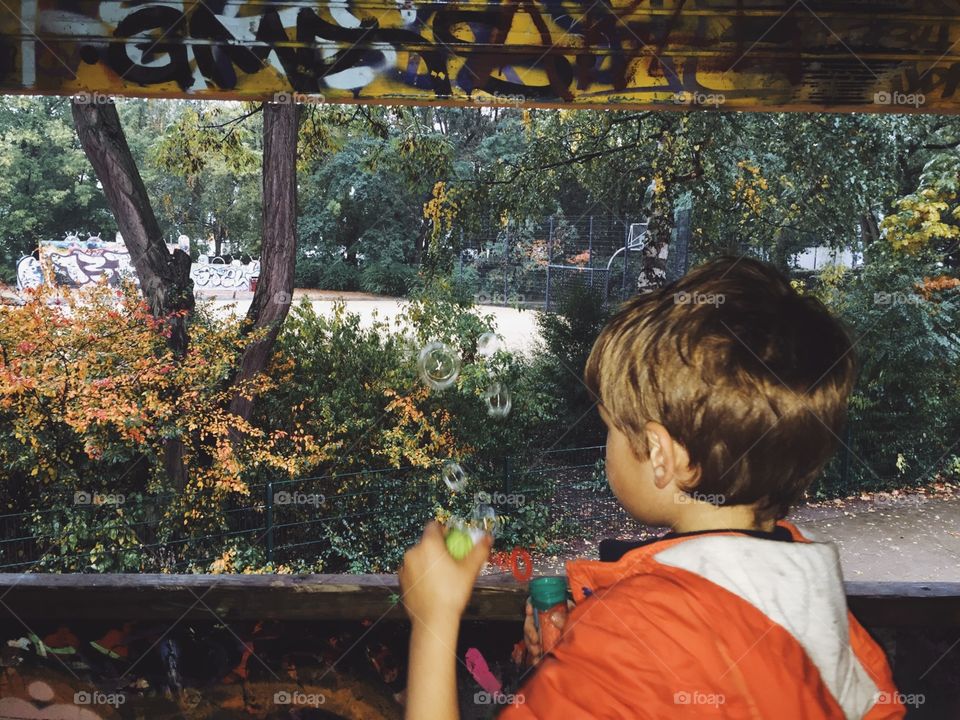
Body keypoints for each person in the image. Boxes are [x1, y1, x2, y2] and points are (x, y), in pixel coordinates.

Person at [399, 258, 905, 719]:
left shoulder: (636, 630)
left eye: (610, 426)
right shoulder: (824, 614)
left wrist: (434, 615)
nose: (607, 444)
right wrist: (572, 666)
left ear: (661, 456)